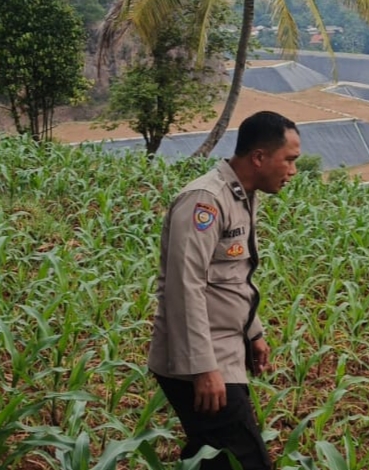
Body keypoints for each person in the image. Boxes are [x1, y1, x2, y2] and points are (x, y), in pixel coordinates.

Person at [148, 110, 301, 470]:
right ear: (259, 157)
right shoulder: (205, 201)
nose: (293, 171)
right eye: (289, 160)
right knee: (245, 459)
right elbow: (184, 287)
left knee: (214, 457)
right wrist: (203, 368)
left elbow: (233, 277)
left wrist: (253, 332)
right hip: (200, 360)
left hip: (226, 350)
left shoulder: (242, 195)